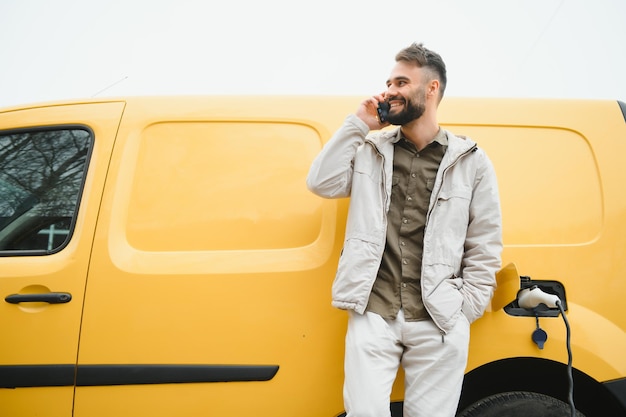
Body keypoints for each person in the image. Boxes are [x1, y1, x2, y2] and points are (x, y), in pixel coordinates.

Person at [306, 42, 503, 417]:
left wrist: (465, 309)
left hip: (439, 318)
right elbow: (321, 182)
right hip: (374, 313)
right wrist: (359, 124)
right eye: (389, 82)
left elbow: (485, 242)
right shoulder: (370, 149)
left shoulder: (471, 160)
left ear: (431, 89)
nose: (390, 90)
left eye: (401, 81)